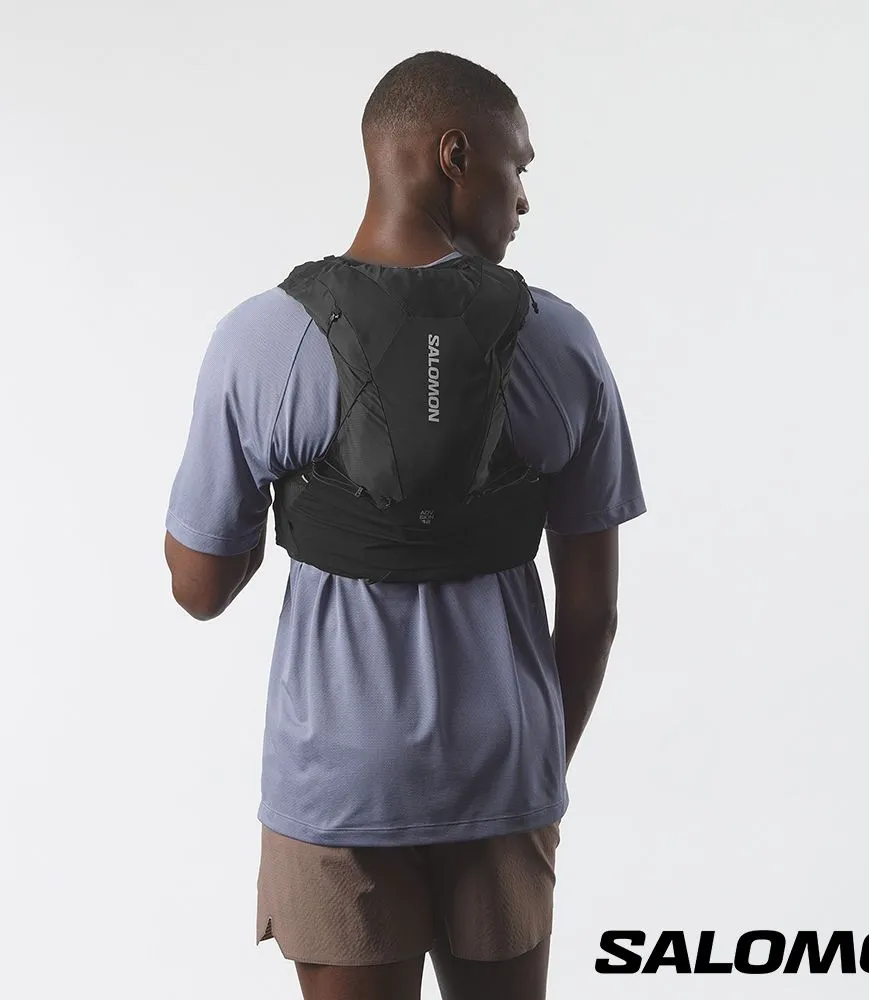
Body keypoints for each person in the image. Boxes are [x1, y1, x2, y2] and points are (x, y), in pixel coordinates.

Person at [163, 50, 646, 1000]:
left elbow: (198, 588)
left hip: (338, 785)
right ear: (454, 155)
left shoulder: (260, 340)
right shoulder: (561, 339)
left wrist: (295, 503)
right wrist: (533, 771)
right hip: (502, 775)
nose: (524, 197)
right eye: (517, 166)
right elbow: (594, 614)